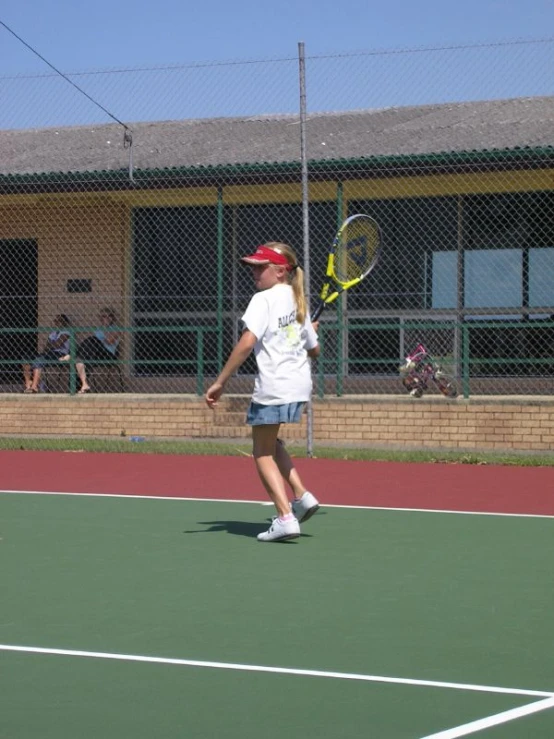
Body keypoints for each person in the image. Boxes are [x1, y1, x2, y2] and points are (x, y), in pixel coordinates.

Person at [205, 242, 321, 542]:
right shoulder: (299, 301)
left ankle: (285, 518)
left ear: (280, 271)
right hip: (298, 386)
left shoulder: (263, 299)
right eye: (252, 266)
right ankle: (302, 495)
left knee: (261, 452)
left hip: (274, 385)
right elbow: (315, 349)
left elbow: (246, 343)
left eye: (261, 267)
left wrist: (220, 381)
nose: (254, 272)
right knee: (271, 440)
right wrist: (311, 330)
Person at [59, 307, 121, 394]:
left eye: (106, 316)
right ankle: (82, 385)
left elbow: (109, 341)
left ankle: (72, 354)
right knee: (80, 359)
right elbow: (91, 346)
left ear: (111, 318)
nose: (103, 319)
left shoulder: (116, 328)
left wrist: (105, 328)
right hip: (95, 354)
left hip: (108, 354)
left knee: (92, 339)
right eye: (102, 316)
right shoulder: (99, 329)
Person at [22, 314, 72, 393]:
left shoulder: (67, 331)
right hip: (49, 353)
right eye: (56, 320)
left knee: (39, 360)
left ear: (64, 322)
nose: (57, 322)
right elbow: (47, 347)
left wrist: (51, 345)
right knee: (26, 358)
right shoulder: (53, 333)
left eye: (60, 321)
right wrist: (51, 346)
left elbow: (57, 344)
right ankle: (28, 386)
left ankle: (34, 387)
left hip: (60, 354)